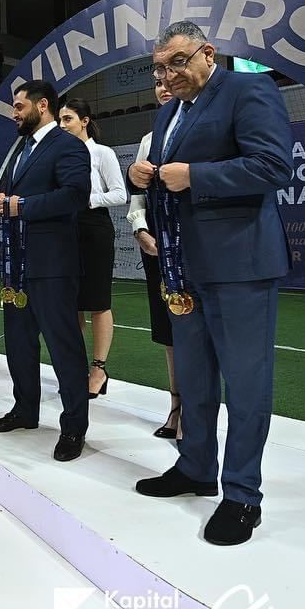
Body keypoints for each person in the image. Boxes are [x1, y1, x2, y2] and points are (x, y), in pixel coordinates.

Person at [130, 20, 293, 547]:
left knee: (245, 386)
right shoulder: (168, 111)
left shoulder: (249, 89)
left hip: (241, 265)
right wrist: (143, 176)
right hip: (185, 266)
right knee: (195, 379)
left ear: (208, 53)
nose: (168, 75)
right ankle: (196, 467)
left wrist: (195, 176)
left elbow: (273, 166)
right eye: (159, 68)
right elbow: (169, 175)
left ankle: (242, 495)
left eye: (177, 62)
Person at [0, 81, 91, 462]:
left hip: (53, 265)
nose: (14, 113)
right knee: (19, 342)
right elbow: (14, 194)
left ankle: (74, 427)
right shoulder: (22, 147)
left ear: (42, 105)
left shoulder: (68, 145)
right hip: (17, 264)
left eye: (19, 106)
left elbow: (75, 195)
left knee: (64, 347)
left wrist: (21, 205)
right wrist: (0, 200)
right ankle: (25, 409)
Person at [58, 96, 127, 399]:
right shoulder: (59, 155)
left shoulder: (102, 153)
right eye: (60, 120)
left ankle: (99, 369)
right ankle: (75, 369)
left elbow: (120, 194)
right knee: (70, 304)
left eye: (68, 119)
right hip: (65, 229)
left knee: (98, 302)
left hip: (94, 227)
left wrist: (88, 199)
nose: (62, 125)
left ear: (84, 121)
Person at [126, 80, 181, 438]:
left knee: (196, 329)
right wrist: (140, 230)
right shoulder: (148, 140)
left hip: (194, 244)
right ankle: (176, 405)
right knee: (168, 329)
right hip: (157, 246)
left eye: (168, 80)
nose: (163, 87)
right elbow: (138, 196)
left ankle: (196, 410)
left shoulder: (204, 130)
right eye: (157, 82)